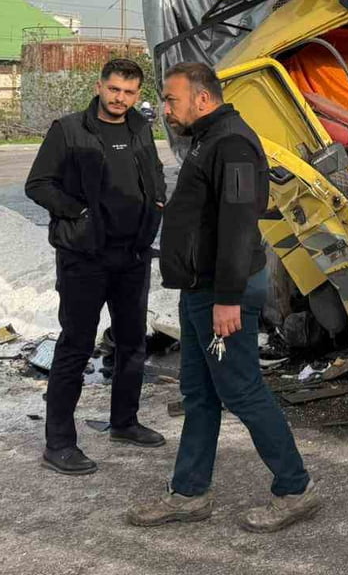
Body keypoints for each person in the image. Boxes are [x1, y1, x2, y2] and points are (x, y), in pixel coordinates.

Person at [127, 62, 320, 532]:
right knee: (198, 393)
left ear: (203, 98)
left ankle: (295, 488)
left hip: (222, 290)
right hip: (202, 288)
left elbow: (238, 224)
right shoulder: (207, 139)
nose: (165, 109)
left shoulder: (231, 143)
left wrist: (229, 298)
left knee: (242, 389)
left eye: (171, 100)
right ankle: (190, 492)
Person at [25, 58, 167, 475]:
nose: (120, 99)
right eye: (114, 90)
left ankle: (124, 422)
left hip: (133, 256)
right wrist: (79, 213)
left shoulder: (140, 129)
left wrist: (156, 199)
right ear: (100, 87)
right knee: (76, 346)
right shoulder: (69, 130)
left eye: (129, 92)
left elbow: (153, 172)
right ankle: (59, 443)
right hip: (83, 258)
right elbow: (38, 184)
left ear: (137, 95)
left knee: (131, 343)